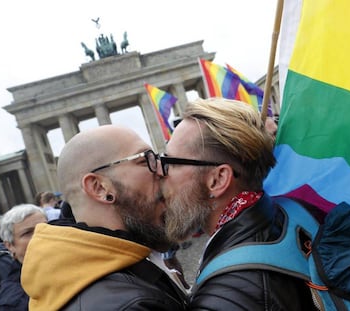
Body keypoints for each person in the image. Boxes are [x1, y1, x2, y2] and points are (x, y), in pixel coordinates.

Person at [157, 97, 317, 310]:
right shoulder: (287, 213)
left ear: (218, 179)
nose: (159, 173)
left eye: (169, 163)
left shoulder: (225, 299)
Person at [21, 125, 188, 310]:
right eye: (145, 160)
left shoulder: (126, 265)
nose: (162, 171)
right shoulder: (128, 305)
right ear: (99, 188)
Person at [0, 204, 47, 310]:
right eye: (27, 233)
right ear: (10, 246)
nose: (41, 235)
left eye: (45, 227)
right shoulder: (11, 302)